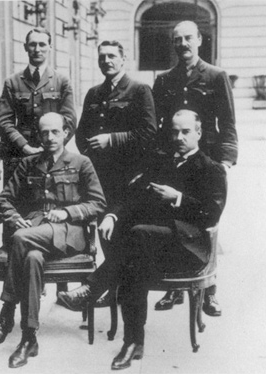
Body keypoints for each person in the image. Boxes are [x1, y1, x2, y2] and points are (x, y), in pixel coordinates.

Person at [58, 109, 227, 370]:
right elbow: (132, 195)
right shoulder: (161, 162)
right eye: (173, 131)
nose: (179, 137)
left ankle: (93, 288)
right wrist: (112, 215)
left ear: (199, 133)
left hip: (188, 250)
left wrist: (178, 198)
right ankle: (133, 343)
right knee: (133, 260)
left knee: (137, 237)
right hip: (150, 247)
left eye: (185, 132)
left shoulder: (211, 169)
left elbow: (211, 214)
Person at [0, 112, 106, 368]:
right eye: (44, 133)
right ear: (38, 135)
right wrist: (16, 217)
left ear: (65, 133)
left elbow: (98, 203)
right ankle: (29, 338)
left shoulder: (82, 162)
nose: (49, 137)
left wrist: (67, 212)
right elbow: (4, 198)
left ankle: (6, 314)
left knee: (19, 239)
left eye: (55, 132)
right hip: (36, 231)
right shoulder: (28, 163)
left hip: (70, 232)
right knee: (32, 258)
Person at [152, 20, 237, 316]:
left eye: (189, 38)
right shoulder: (164, 79)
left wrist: (225, 161)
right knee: (172, 216)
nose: (183, 44)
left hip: (206, 160)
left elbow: (227, 123)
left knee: (207, 223)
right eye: (178, 40)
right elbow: (158, 124)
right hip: (173, 159)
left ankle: (209, 288)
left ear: (200, 40)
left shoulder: (215, 76)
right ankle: (174, 285)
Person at [75, 40, 157, 306]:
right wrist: (88, 161)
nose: (106, 61)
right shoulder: (94, 93)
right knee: (105, 232)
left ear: (124, 59)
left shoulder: (139, 90)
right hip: (100, 177)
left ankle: (121, 289)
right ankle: (112, 288)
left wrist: (112, 139)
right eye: (102, 57)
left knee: (123, 232)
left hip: (129, 176)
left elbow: (148, 133)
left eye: (112, 56)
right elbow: (81, 135)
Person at [0, 27, 77, 181]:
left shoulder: (62, 81)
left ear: (50, 48)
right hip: (19, 155)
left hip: (53, 156)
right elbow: (4, 121)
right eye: (32, 45)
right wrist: (24, 146)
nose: (37, 49)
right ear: (25, 47)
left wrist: (52, 145)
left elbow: (70, 120)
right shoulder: (12, 82)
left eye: (42, 45)